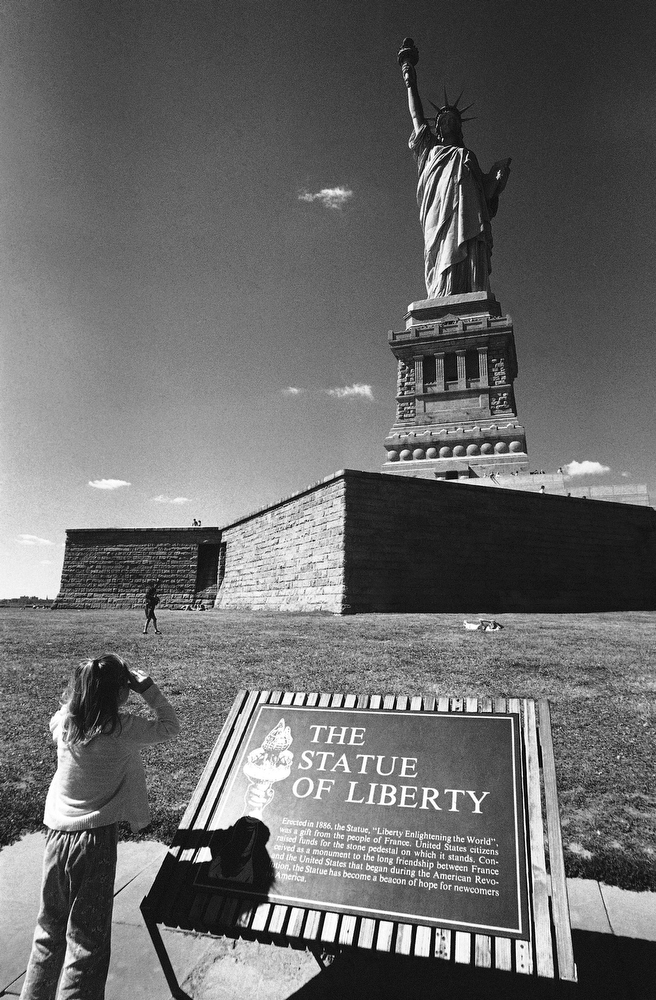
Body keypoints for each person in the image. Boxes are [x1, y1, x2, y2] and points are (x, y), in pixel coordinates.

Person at [20, 654, 180, 1000]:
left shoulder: (65, 722)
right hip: (94, 841)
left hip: (55, 836)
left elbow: (60, 717)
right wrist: (148, 689)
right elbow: (170, 726)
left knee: (48, 930)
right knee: (87, 942)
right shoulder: (122, 729)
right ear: (121, 692)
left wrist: (85, 693)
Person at [398, 38, 511, 298]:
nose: (447, 122)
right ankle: (442, 294)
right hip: (438, 213)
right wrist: (409, 79)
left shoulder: (466, 154)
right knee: (440, 254)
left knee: (470, 245)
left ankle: (470, 292)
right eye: (442, 120)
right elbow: (416, 115)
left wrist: (498, 179)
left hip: (468, 215)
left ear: (458, 127)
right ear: (436, 127)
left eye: (452, 120)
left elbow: (485, 192)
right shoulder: (429, 149)